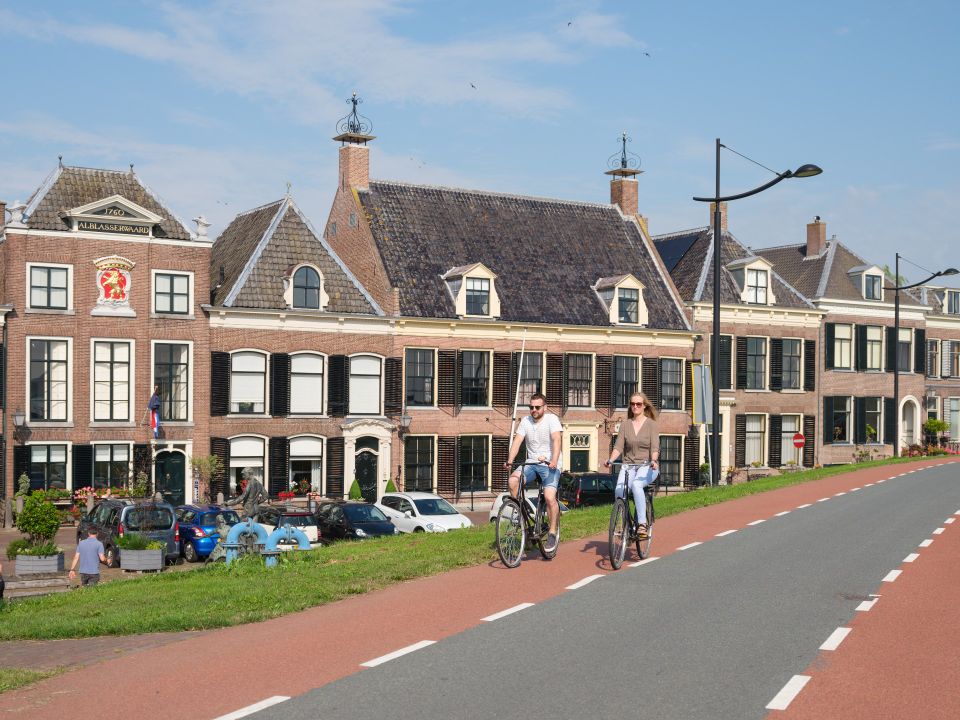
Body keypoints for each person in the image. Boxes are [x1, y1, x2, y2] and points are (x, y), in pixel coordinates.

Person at [504, 392, 562, 553]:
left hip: (550, 464)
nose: (534, 410)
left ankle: (551, 532)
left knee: (550, 497)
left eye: (537, 407)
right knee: (513, 481)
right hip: (531, 463)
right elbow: (517, 441)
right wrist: (510, 460)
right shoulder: (525, 421)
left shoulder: (552, 420)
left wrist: (554, 460)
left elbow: (557, 440)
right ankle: (522, 522)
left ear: (545, 407)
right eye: (531, 407)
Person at [605, 391, 660, 537]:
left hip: (647, 466)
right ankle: (624, 523)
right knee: (619, 490)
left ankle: (642, 524)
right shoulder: (625, 425)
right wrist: (610, 460)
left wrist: (653, 461)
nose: (635, 406)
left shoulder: (651, 425)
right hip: (628, 466)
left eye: (638, 404)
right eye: (632, 404)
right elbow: (618, 447)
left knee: (636, 485)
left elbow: (655, 447)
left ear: (644, 406)